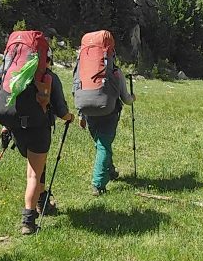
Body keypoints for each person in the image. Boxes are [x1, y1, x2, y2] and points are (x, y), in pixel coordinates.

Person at [8, 51, 75, 236]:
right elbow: (61, 110)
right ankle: (28, 221)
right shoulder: (49, 77)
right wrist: (69, 117)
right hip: (38, 129)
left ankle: (43, 201)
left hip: (17, 129)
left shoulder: (17, 75)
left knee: (37, 165)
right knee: (33, 175)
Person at [79, 53, 134, 195]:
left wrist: (81, 114)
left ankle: (110, 170)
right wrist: (133, 98)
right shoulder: (116, 72)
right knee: (103, 146)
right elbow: (126, 99)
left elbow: (78, 92)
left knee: (101, 144)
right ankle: (98, 184)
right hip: (109, 113)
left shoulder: (83, 69)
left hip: (89, 112)